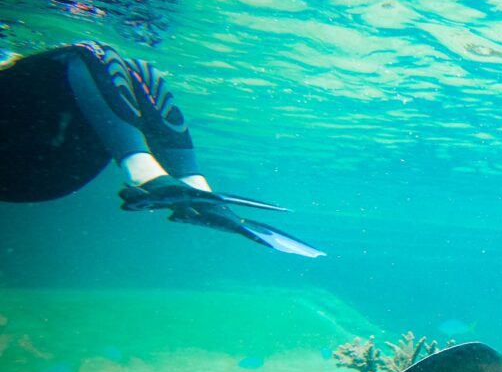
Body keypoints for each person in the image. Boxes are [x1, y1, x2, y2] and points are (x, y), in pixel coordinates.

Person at [0, 41, 323, 257]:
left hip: (45, 166)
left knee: (141, 72)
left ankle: (197, 191)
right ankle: (147, 174)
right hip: (25, 169)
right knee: (91, 53)